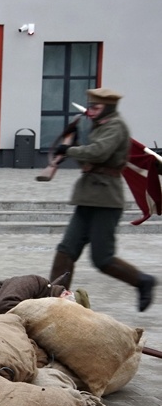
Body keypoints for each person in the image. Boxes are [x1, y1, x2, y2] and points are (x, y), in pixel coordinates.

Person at [49, 87, 156, 312]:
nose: (91, 111)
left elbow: (99, 153)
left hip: (106, 201)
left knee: (102, 259)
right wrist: (74, 142)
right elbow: (89, 161)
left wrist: (70, 150)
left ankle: (143, 281)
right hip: (88, 197)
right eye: (90, 106)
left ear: (108, 108)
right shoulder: (99, 127)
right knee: (65, 251)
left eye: (96, 107)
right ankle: (55, 302)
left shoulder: (116, 126)